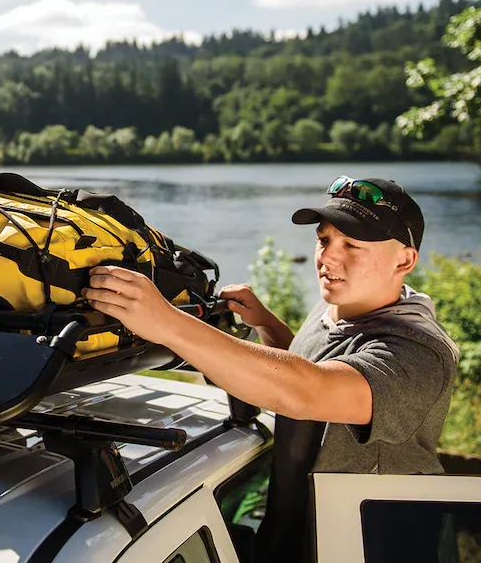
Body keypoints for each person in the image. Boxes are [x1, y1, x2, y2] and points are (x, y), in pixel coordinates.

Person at [82, 176, 459, 562]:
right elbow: (317, 366)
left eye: (352, 245)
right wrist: (267, 324)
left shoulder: (418, 352)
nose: (328, 257)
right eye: (324, 239)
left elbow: (310, 391)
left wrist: (167, 322)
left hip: (368, 549)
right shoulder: (345, 305)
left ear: (405, 260)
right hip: (294, 536)